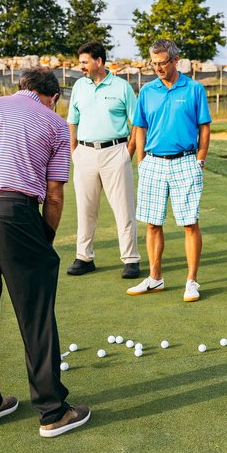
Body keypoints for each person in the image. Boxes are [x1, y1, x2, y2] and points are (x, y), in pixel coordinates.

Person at [0, 67, 90, 437]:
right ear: (54, 97)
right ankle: (52, 411)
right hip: (15, 212)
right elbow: (55, 194)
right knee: (35, 311)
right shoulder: (55, 123)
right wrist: (43, 237)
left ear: (20, 87)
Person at [126, 39, 211, 302]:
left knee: (189, 223)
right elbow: (140, 127)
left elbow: (204, 126)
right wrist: (141, 159)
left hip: (186, 160)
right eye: (154, 63)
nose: (158, 68)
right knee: (152, 224)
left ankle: (192, 281)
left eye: (163, 63)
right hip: (153, 162)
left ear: (175, 60)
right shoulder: (147, 91)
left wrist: (200, 157)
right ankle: (155, 278)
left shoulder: (194, 89)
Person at [65, 41, 141, 279]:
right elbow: (72, 120)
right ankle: (84, 257)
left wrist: (129, 151)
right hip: (85, 154)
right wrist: (73, 150)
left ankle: (130, 259)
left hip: (115, 152)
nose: (81, 67)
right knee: (86, 209)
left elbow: (137, 122)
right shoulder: (79, 86)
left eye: (85, 62)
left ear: (98, 61)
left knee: (123, 208)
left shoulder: (122, 87)